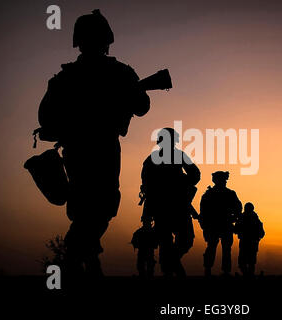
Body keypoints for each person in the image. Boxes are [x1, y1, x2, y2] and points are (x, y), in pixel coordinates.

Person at [38, 9, 150, 278]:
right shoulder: (119, 73)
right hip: (102, 149)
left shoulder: (64, 78)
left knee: (86, 208)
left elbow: (45, 119)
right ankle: (77, 257)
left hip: (77, 152)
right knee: (101, 206)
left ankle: (84, 259)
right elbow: (143, 107)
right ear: (107, 40)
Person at [140, 128, 200, 277]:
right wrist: (182, 182)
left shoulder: (154, 158)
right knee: (172, 241)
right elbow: (194, 175)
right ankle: (169, 267)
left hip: (171, 205)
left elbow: (195, 175)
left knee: (178, 241)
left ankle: (169, 263)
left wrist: (182, 182)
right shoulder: (162, 158)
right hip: (170, 206)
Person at [199, 171, 242, 277]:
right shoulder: (227, 194)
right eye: (222, 180)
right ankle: (213, 269)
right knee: (218, 248)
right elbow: (204, 212)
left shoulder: (210, 194)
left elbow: (238, 208)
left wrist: (234, 217)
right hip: (218, 225)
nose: (224, 182)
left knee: (220, 248)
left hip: (221, 224)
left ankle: (214, 270)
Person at [234, 202, 265, 277]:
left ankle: (247, 274)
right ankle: (249, 274)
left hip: (245, 242)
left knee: (244, 260)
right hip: (253, 242)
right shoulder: (255, 218)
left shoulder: (243, 217)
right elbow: (262, 233)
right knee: (251, 260)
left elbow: (236, 229)